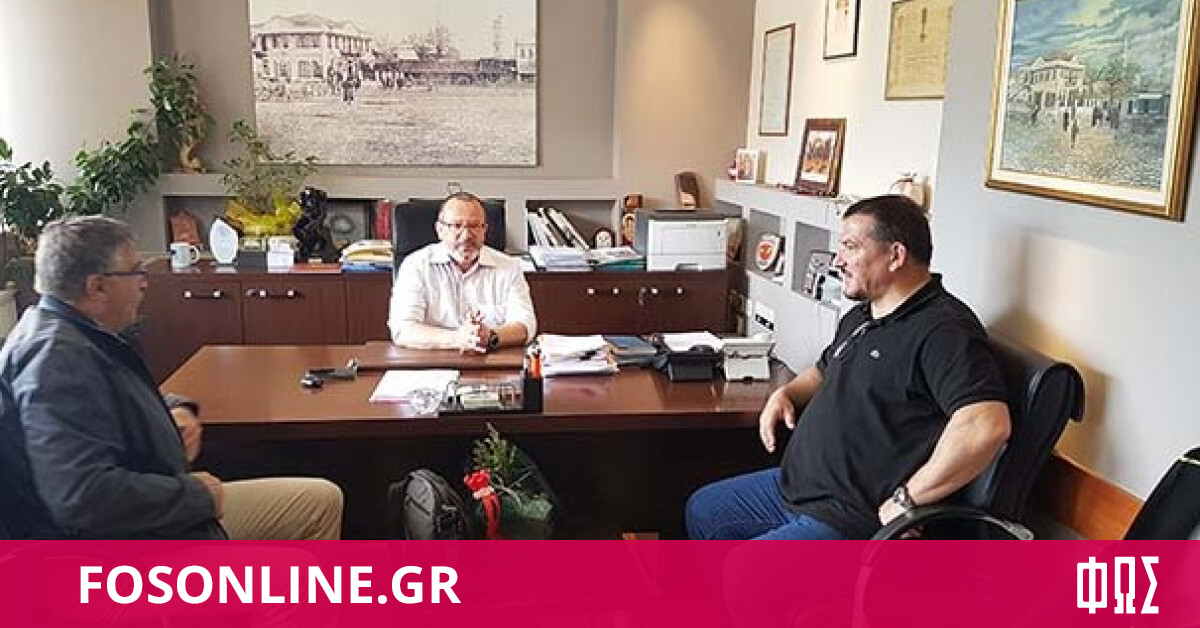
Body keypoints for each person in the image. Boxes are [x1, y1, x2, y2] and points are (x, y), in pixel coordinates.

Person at [686, 195, 1011, 540]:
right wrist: (786, 393)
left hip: (852, 516)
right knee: (704, 510)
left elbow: (987, 424)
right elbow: (823, 370)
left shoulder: (944, 330)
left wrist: (907, 500)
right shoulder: (863, 315)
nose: (838, 261)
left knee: (744, 568)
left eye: (851, 247)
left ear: (896, 255)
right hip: (798, 488)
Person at [0, 216, 343, 539]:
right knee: (312, 510)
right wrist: (197, 496)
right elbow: (82, 498)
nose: (144, 282)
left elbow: (110, 402)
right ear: (98, 287)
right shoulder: (57, 360)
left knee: (320, 500)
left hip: (156, 510)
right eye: (135, 272)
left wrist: (175, 408)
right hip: (123, 546)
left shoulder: (68, 332)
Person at [389, 192, 537, 352]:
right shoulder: (416, 266)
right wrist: (458, 338)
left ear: (484, 230)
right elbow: (402, 329)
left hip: (490, 360)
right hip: (431, 360)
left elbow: (526, 325)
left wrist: (490, 336)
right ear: (440, 230)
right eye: (457, 226)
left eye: (474, 226)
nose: (466, 236)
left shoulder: (508, 267)